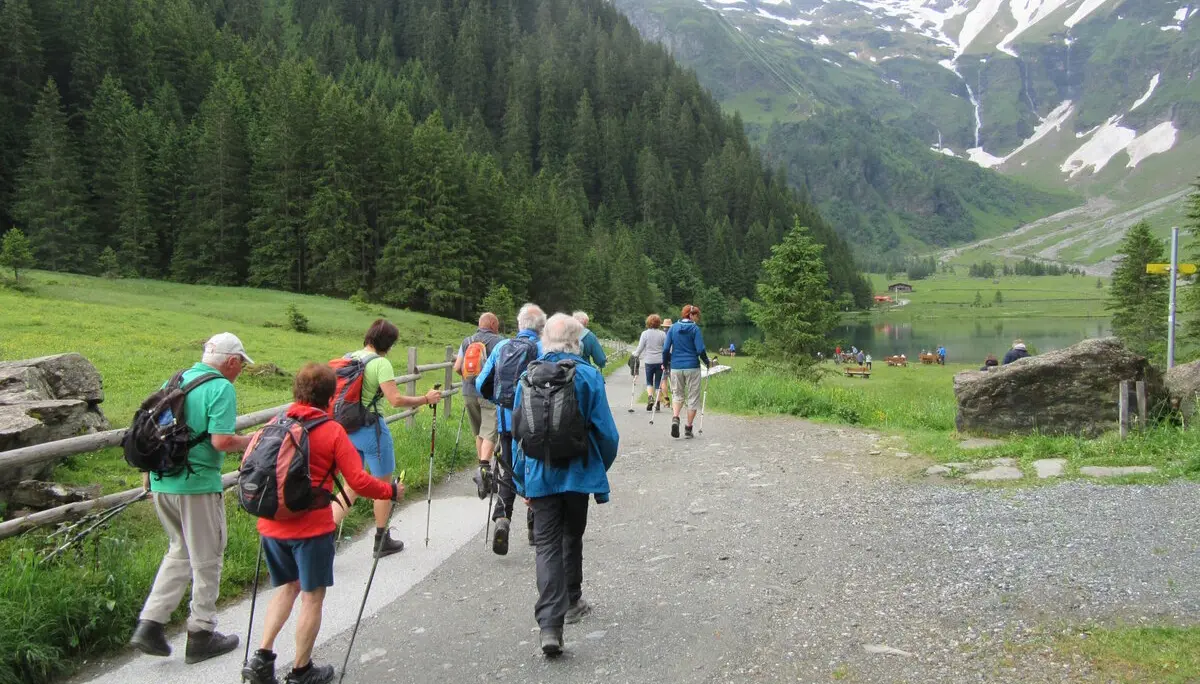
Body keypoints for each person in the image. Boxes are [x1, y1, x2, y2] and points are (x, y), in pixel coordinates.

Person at [241, 364, 406, 684]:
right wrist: (391, 490)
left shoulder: (276, 422)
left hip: (271, 525)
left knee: (286, 587)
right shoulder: (331, 431)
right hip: (311, 529)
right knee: (312, 597)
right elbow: (358, 480)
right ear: (331, 397)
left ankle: (262, 658)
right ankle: (301, 670)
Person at [130, 333, 256, 663]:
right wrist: (255, 440)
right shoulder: (221, 388)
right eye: (241, 364)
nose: (240, 370)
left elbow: (158, 427)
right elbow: (221, 441)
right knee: (208, 556)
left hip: (162, 482)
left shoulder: (177, 378)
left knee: (179, 550)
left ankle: (150, 623)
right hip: (196, 485)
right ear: (231, 362)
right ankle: (201, 632)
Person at [511, 313, 619, 657]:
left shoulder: (527, 377)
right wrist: (597, 469)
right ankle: (573, 600)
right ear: (577, 341)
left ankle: (549, 627)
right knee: (572, 534)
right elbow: (608, 434)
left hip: (539, 476)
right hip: (577, 476)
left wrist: (521, 482)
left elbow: (517, 436)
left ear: (545, 340)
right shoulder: (588, 375)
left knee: (545, 546)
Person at [330, 320, 442, 557]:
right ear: (388, 343)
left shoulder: (349, 357)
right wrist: (425, 398)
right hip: (372, 430)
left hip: (347, 429)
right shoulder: (381, 364)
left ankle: (325, 537)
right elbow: (395, 400)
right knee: (383, 486)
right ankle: (382, 540)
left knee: (351, 484)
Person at [477, 303, 545, 554]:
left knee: (507, 469)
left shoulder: (502, 347)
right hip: (535, 423)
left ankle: (502, 519)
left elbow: (482, 383)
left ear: (519, 325)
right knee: (535, 468)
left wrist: (498, 401)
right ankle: (534, 528)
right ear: (541, 328)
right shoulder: (542, 348)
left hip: (507, 422)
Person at [453, 313, 505, 498]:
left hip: (468, 392)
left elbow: (458, 367)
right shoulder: (499, 342)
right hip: (489, 394)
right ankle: (484, 471)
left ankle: (481, 468)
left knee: (478, 432)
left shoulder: (467, 341)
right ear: (492, 324)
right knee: (490, 431)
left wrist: (469, 381)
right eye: (497, 324)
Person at [662, 304, 710, 439]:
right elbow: (700, 349)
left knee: (677, 395)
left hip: (676, 367)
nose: (698, 318)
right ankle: (688, 428)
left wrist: (664, 364)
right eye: (696, 315)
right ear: (690, 315)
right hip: (692, 367)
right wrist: (707, 361)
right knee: (693, 397)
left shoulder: (673, 328)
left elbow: (666, 349)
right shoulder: (695, 329)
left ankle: (675, 418)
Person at [633, 314, 667, 412]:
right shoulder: (662, 334)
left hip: (649, 361)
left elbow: (640, 347)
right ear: (658, 323)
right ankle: (657, 403)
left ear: (648, 323)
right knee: (658, 383)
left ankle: (650, 397)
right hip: (660, 361)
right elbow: (666, 348)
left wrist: (636, 354)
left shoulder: (645, 334)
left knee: (649, 381)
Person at [658, 318, 673, 410]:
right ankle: (675, 399)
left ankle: (666, 400)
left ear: (664, 326)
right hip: (672, 358)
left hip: (663, 359)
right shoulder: (673, 334)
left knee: (664, 380)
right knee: (673, 380)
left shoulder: (661, 334)